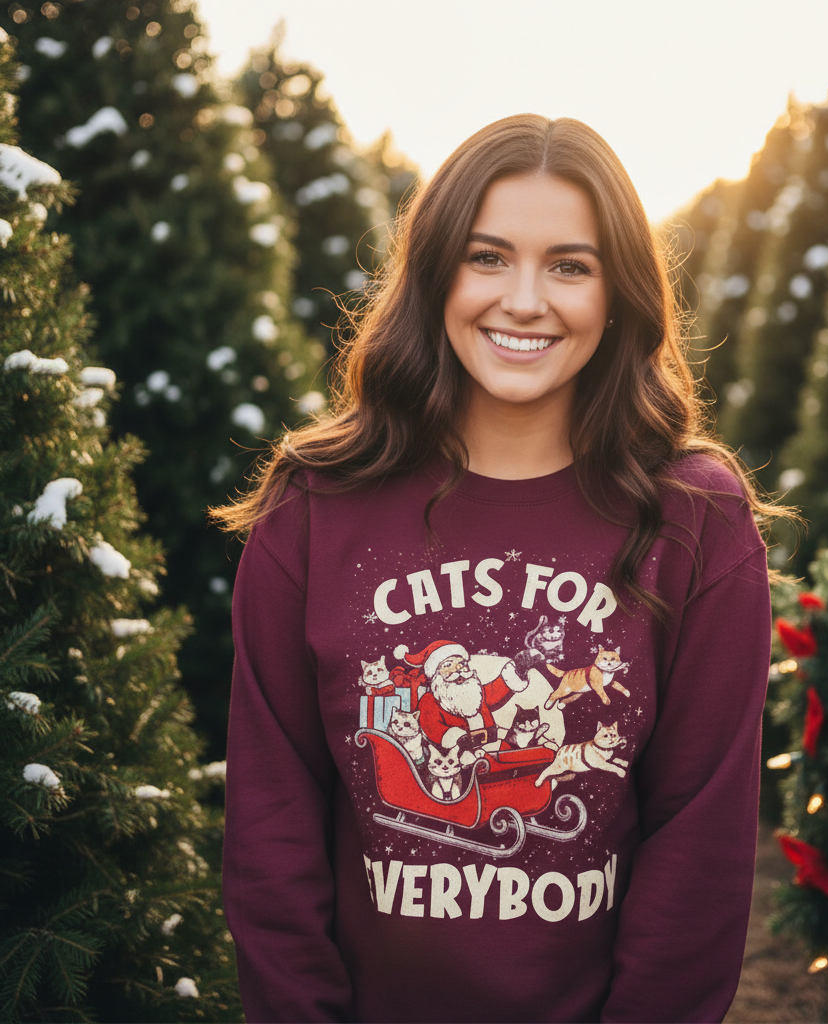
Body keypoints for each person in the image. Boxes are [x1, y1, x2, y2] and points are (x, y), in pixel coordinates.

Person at [214, 113, 782, 1023]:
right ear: (436, 273)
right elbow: (273, 833)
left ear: (618, 292)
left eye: (570, 264)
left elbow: (698, 846)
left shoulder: (696, 519)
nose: (525, 299)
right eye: (487, 257)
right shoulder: (313, 505)